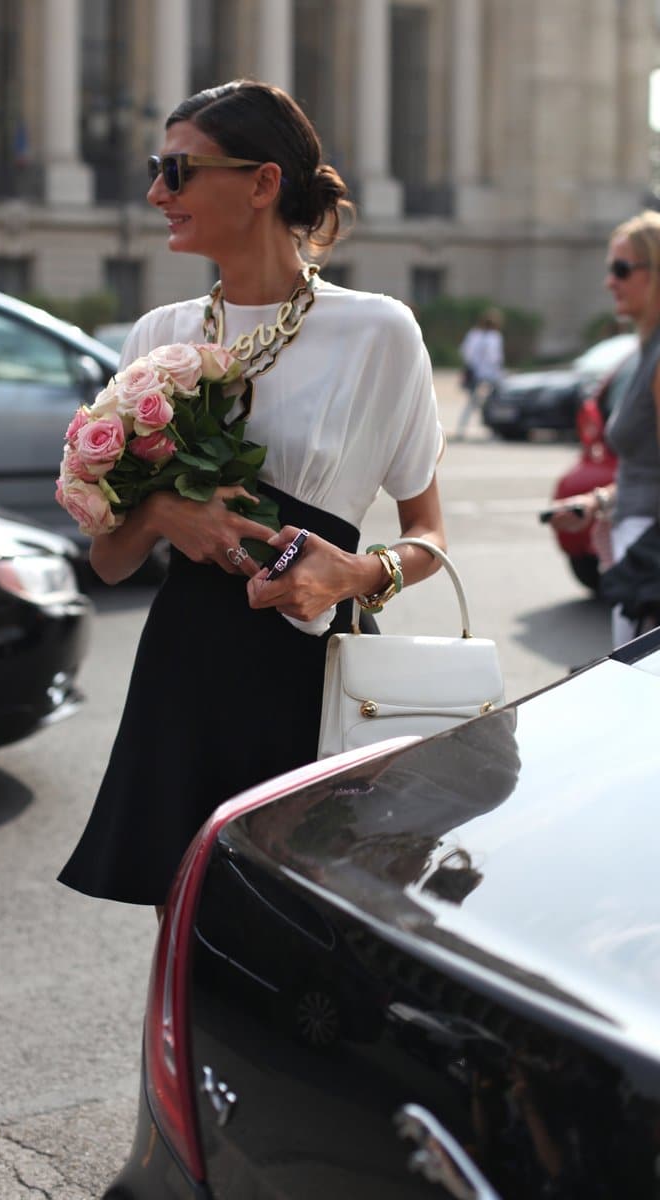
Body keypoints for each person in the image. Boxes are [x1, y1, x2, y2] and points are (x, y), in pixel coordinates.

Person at [58, 79, 447, 914]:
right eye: (158, 171)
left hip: (317, 667)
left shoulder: (380, 332)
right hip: (186, 670)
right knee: (194, 930)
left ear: (264, 183)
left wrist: (350, 576)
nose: (158, 191)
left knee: (320, 935)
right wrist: (162, 512)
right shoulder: (157, 336)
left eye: (178, 170)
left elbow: (429, 534)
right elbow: (111, 561)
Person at [549, 210, 660, 647]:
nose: (610, 282)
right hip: (637, 545)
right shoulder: (648, 351)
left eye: (621, 269)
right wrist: (600, 500)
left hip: (648, 559)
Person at [455, 308, 505, 439]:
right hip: (490, 374)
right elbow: (494, 357)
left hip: (475, 373)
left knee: (472, 403)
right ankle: (494, 431)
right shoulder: (494, 337)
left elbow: (465, 352)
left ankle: (461, 429)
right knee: (495, 402)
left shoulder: (474, 335)